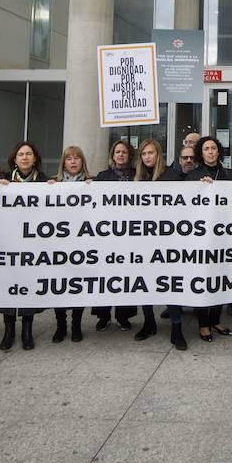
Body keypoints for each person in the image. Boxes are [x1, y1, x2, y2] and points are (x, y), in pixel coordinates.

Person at [0, 141, 48, 350]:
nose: (25, 157)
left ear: (35, 158)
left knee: (29, 284)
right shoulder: (3, 181)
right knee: (10, 283)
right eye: (21, 154)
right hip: (9, 242)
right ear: (14, 159)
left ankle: (27, 330)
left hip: (34, 244)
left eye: (29, 154)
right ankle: (9, 330)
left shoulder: (45, 181)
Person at [133, 138, 184, 346]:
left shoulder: (172, 176)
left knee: (169, 283)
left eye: (150, 153)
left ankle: (177, 327)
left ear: (158, 154)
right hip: (143, 240)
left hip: (168, 240)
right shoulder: (137, 178)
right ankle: (148, 322)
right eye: (144, 154)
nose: (147, 157)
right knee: (144, 283)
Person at [186, 135, 232, 341]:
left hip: (223, 236)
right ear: (201, 153)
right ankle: (203, 323)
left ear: (219, 151)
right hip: (201, 237)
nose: (211, 152)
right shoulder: (193, 175)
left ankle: (215, 319)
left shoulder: (228, 174)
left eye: (214, 148)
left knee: (220, 279)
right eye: (206, 149)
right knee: (204, 279)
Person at [91, 139, 140, 333]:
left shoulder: (137, 175)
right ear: (112, 155)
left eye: (124, 152)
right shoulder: (103, 176)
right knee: (105, 275)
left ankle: (123, 315)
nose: (120, 155)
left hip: (130, 234)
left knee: (125, 275)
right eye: (117, 152)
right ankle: (103, 315)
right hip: (107, 234)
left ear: (129, 156)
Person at [50, 145, 91, 345]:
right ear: (63, 162)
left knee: (78, 284)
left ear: (82, 162)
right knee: (60, 284)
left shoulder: (92, 183)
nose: (73, 162)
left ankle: (76, 324)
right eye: (69, 159)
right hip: (60, 243)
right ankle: (60, 324)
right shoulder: (53, 183)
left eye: (77, 158)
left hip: (83, 243)